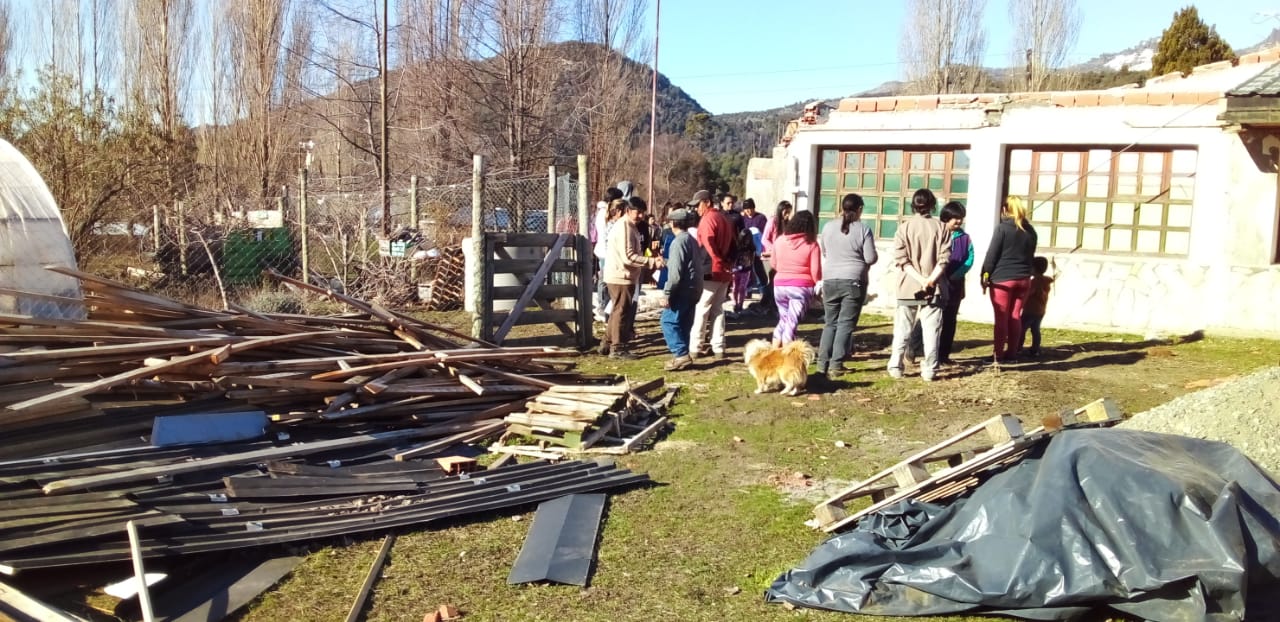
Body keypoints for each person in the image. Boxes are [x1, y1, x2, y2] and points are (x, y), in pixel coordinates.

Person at [887, 189, 951, 382]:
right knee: (932, 330)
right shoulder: (942, 228)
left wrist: (920, 279)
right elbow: (944, 260)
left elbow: (902, 260)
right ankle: (930, 370)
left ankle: (896, 366)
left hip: (908, 286)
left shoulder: (903, 228)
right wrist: (930, 280)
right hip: (934, 288)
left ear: (913, 205)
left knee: (902, 328)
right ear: (932, 205)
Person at [816, 193, 878, 375]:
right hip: (853, 280)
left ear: (842, 208)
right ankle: (836, 364)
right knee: (845, 324)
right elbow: (870, 257)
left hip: (829, 279)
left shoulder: (828, 227)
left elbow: (825, 251)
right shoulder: (863, 229)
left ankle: (822, 364)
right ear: (859, 210)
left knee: (830, 323)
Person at [601, 197, 662, 359]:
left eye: (643, 212)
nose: (641, 216)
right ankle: (618, 349)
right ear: (628, 210)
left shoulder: (629, 225)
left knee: (617, 310)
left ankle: (607, 343)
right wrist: (650, 262)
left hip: (621, 275)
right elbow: (628, 256)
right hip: (621, 276)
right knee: (622, 312)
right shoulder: (624, 228)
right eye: (638, 212)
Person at [980, 196, 1038, 364]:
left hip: (1002, 280)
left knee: (1002, 318)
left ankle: (997, 355)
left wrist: (985, 275)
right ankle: (1012, 354)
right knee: (1015, 316)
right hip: (1024, 279)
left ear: (1005, 209)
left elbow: (992, 255)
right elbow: (1031, 255)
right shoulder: (1031, 231)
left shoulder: (1002, 229)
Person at [689, 189, 734, 360]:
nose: (696, 209)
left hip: (711, 269)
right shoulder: (724, 218)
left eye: (698, 205)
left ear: (707, 202)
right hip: (724, 271)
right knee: (718, 309)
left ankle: (695, 346)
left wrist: (717, 261)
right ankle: (718, 347)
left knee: (702, 308)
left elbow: (708, 241)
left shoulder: (708, 219)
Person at [659, 208, 703, 370]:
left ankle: (680, 353)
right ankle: (682, 356)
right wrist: (666, 261)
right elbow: (686, 265)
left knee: (668, 321)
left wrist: (667, 293)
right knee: (683, 322)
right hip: (695, 287)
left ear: (672, 223)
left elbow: (676, 274)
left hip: (683, 288)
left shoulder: (678, 242)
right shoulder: (690, 239)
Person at [770, 210, 821, 346]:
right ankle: (788, 357)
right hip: (801, 287)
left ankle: (774, 352)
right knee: (791, 323)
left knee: (783, 319)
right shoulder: (812, 244)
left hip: (779, 285)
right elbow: (815, 270)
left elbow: (773, 264)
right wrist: (817, 285)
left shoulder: (780, 240)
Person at [937, 201, 974, 364]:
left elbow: (969, 258)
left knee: (950, 320)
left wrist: (957, 274)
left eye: (961, 218)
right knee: (934, 317)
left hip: (955, 283)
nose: (958, 221)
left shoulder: (965, 238)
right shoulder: (937, 234)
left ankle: (944, 355)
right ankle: (917, 348)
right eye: (955, 218)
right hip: (937, 281)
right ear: (946, 218)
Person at [756, 200, 794, 315]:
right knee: (771, 281)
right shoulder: (773, 221)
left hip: (783, 257)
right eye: (785, 212)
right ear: (781, 210)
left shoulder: (788, 223)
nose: (787, 215)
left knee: (778, 282)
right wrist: (774, 248)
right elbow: (764, 239)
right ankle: (769, 304)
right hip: (771, 256)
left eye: (789, 212)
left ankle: (771, 304)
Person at [592, 187, 624, 320]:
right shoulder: (605, 213)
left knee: (604, 279)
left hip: (605, 250)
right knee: (605, 280)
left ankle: (605, 306)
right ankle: (603, 306)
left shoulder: (604, 211)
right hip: (606, 251)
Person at [1022, 256, 1053, 357]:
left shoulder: (1035, 281)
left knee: (1021, 329)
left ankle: (1017, 347)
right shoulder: (1046, 281)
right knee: (1036, 330)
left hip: (1030, 310)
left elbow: (1030, 293)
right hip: (1040, 310)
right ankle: (1035, 349)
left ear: (1034, 268)